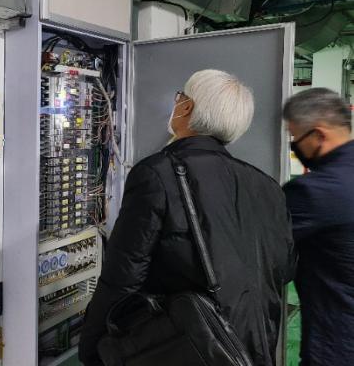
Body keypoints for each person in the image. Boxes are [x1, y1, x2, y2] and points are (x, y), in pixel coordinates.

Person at [79, 69, 294, 366]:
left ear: (187, 107)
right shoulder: (267, 186)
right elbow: (284, 268)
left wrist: (92, 347)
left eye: (179, 97)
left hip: (189, 346)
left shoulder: (158, 173)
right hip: (250, 347)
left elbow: (124, 275)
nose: (176, 102)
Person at [282, 88, 354, 366]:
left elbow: (259, 244)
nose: (295, 146)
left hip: (337, 346)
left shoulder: (314, 191)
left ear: (319, 135)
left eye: (295, 138)